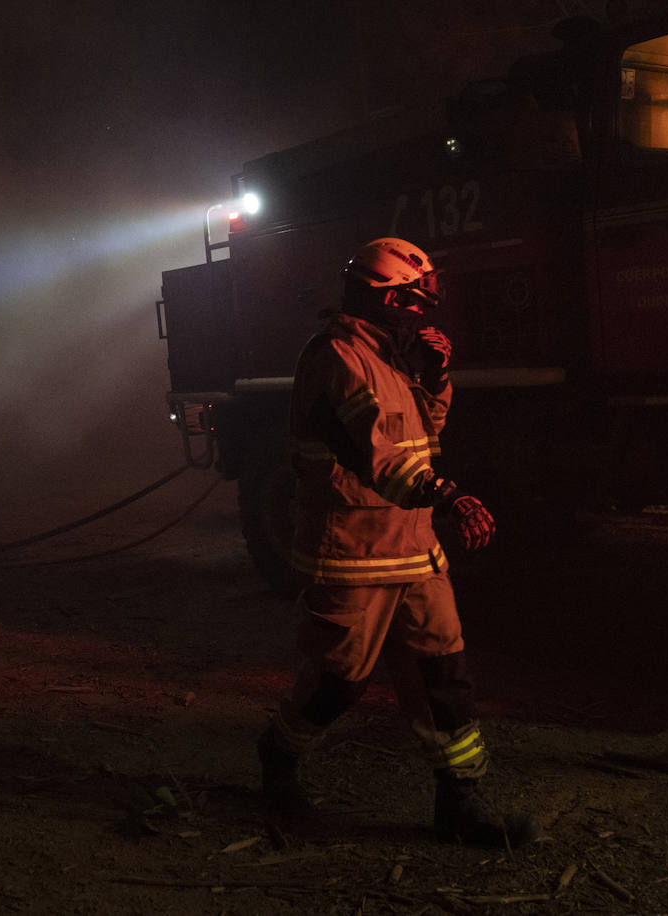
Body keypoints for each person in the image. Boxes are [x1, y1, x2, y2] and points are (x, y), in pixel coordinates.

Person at [257, 238, 537, 847]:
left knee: (444, 670)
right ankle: (277, 763)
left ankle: (460, 801)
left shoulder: (389, 356)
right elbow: (379, 459)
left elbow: (422, 440)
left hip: (413, 548)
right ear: (381, 296)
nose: (423, 312)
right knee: (338, 680)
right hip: (353, 550)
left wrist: (435, 380)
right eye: (413, 299)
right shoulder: (339, 357)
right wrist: (451, 496)